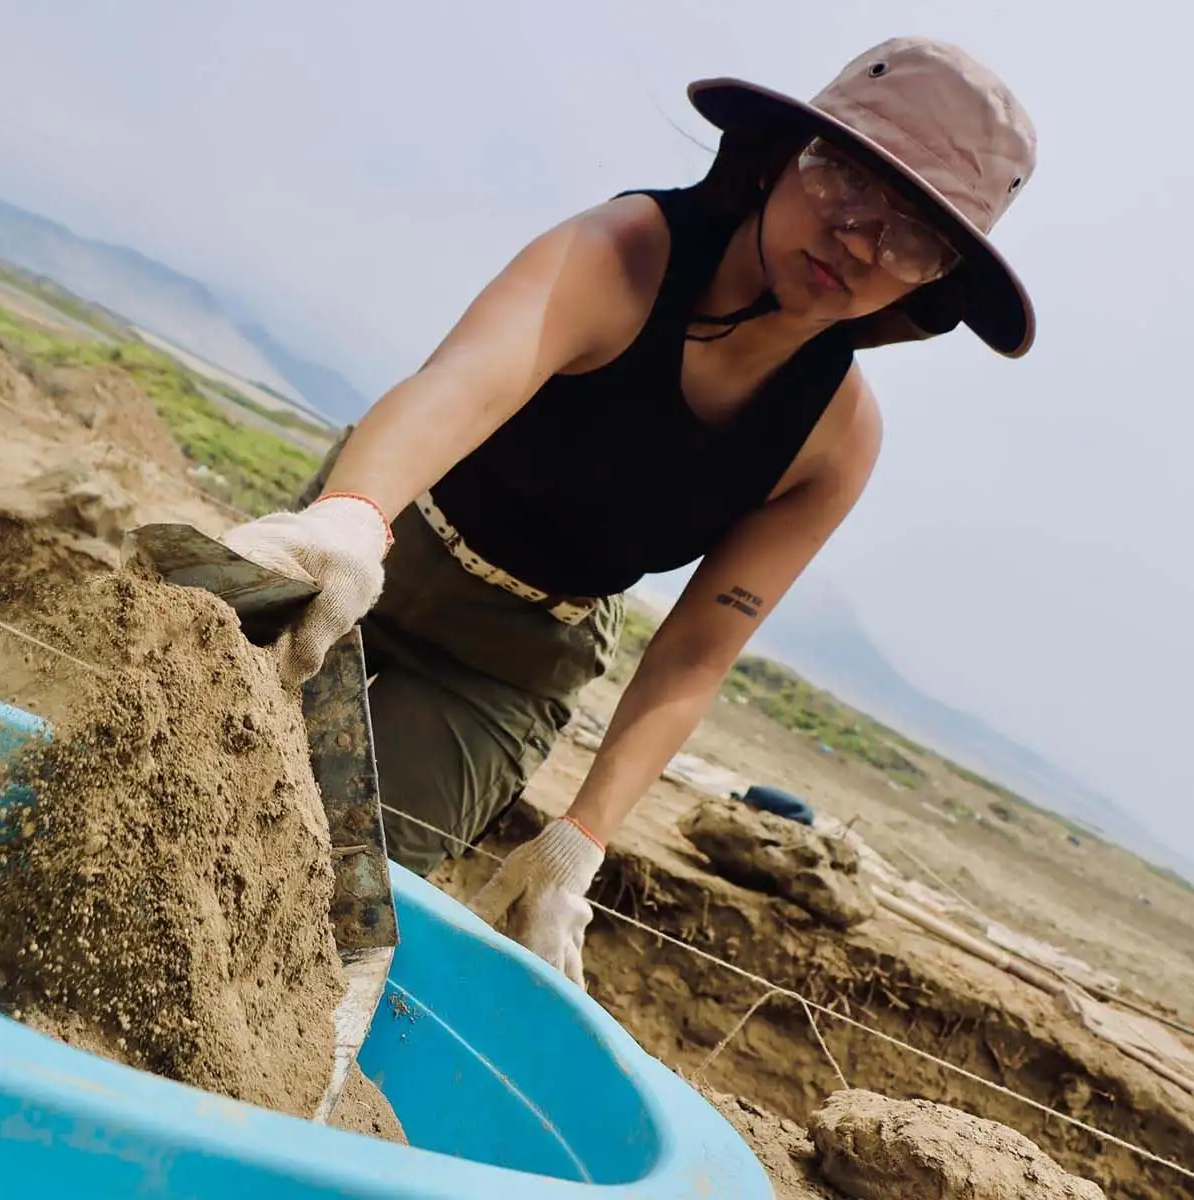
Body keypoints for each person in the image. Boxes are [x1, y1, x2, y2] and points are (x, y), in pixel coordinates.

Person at [220, 37, 1038, 985]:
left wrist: (583, 838)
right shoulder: (623, 253)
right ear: (781, 154)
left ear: (934, 284)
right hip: (385, 529)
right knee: (191, 748)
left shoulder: (833, 442)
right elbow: (463, 385)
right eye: (846, 178)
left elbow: (696, 652)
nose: (858, 240)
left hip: (503, 666)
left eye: (910, 236)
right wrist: (350, 518)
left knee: (323, 900)